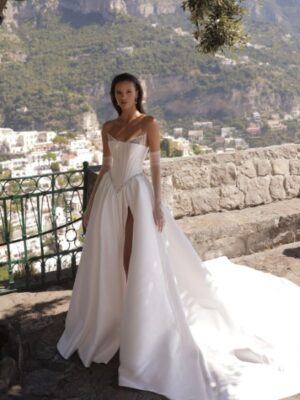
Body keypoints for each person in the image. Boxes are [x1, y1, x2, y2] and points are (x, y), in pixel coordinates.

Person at [57, 72, 300, 400]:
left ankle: (138, 325)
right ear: (114, 96)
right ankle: (109, 319)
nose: (123, 97)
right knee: (108, 258)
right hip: (108, 199)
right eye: (118, 92)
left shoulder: (149, 124)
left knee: (131, 259)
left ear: (137, 94)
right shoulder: (108, 127)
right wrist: (88, 208)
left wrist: (156, 204)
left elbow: (156, 167)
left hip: (136, 196)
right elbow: (105, 166)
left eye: (128, 91)